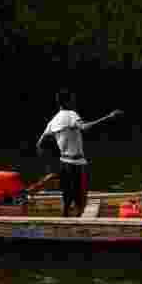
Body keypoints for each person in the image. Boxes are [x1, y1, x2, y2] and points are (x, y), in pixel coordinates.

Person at [37, 89, 123, 217]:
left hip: (63, 162)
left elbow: (40, 144)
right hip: (76, 163)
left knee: (67, 195)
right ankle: (79, 225)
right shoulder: (71, 114)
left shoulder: (53, 121)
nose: (74, 102)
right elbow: (85, 127)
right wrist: (109, 117)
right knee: (80, 197)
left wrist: (48, 165)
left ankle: (65, 219)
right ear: (68, 101)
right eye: (72, 100)